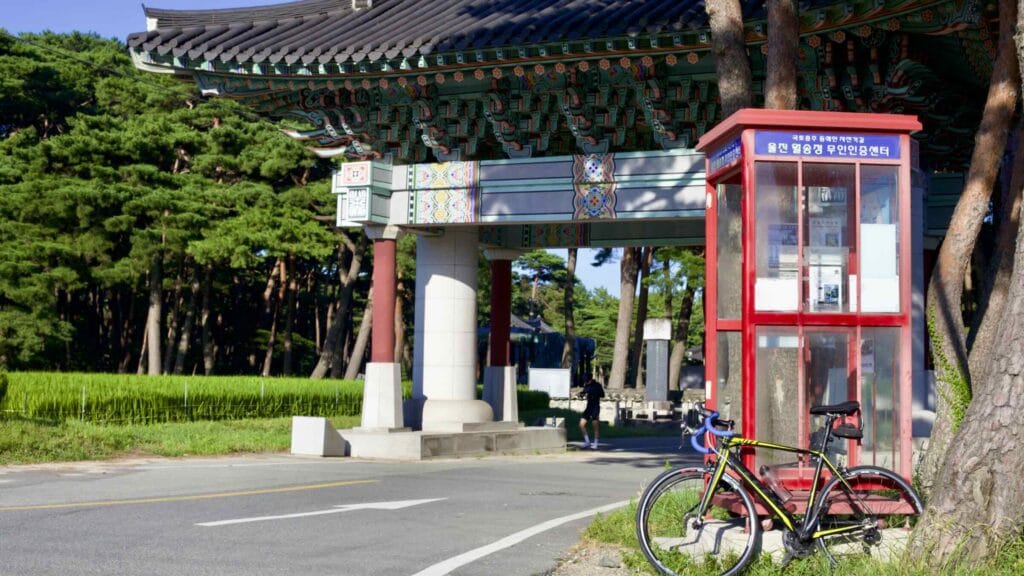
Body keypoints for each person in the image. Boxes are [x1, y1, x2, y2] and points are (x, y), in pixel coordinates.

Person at [578, 377, 605, 449]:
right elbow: (584, 392)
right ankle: (587, 441)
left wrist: (593, 392)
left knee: (595, 425)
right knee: (581, 424)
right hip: (589, 407)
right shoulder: (587, 385)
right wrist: (582, 394)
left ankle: (596, 443)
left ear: (590, 380)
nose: (586, 382)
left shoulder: (597, 385)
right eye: (585, 381)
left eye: (587, 381)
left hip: (595, 407)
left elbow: (602, 395)